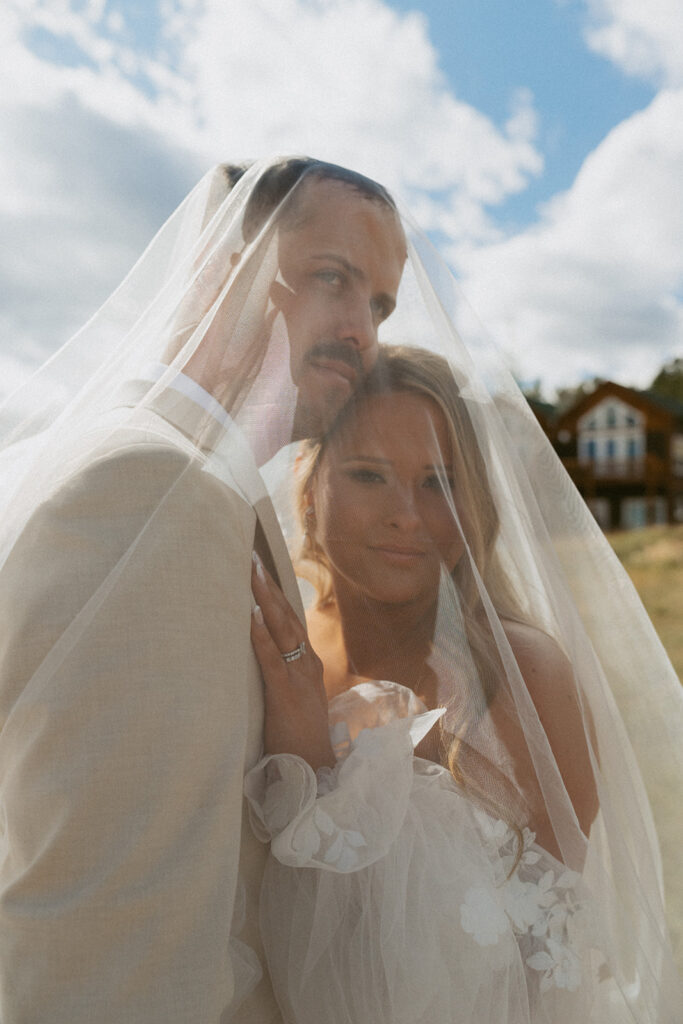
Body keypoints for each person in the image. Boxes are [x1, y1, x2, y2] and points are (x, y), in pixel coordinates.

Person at [0, 157, 406, 1023]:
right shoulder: (151, 492)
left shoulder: (185, 483)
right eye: (333, 278)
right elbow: (107, 949)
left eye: (379, 305)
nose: (362, 332)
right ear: (225, 269)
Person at [248, 344, 682, 1022]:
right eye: (368, 475)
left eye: (438, 483)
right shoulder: (275, 647)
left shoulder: (519, 675)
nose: (407, 516)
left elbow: (548, 965)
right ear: (309, 482)